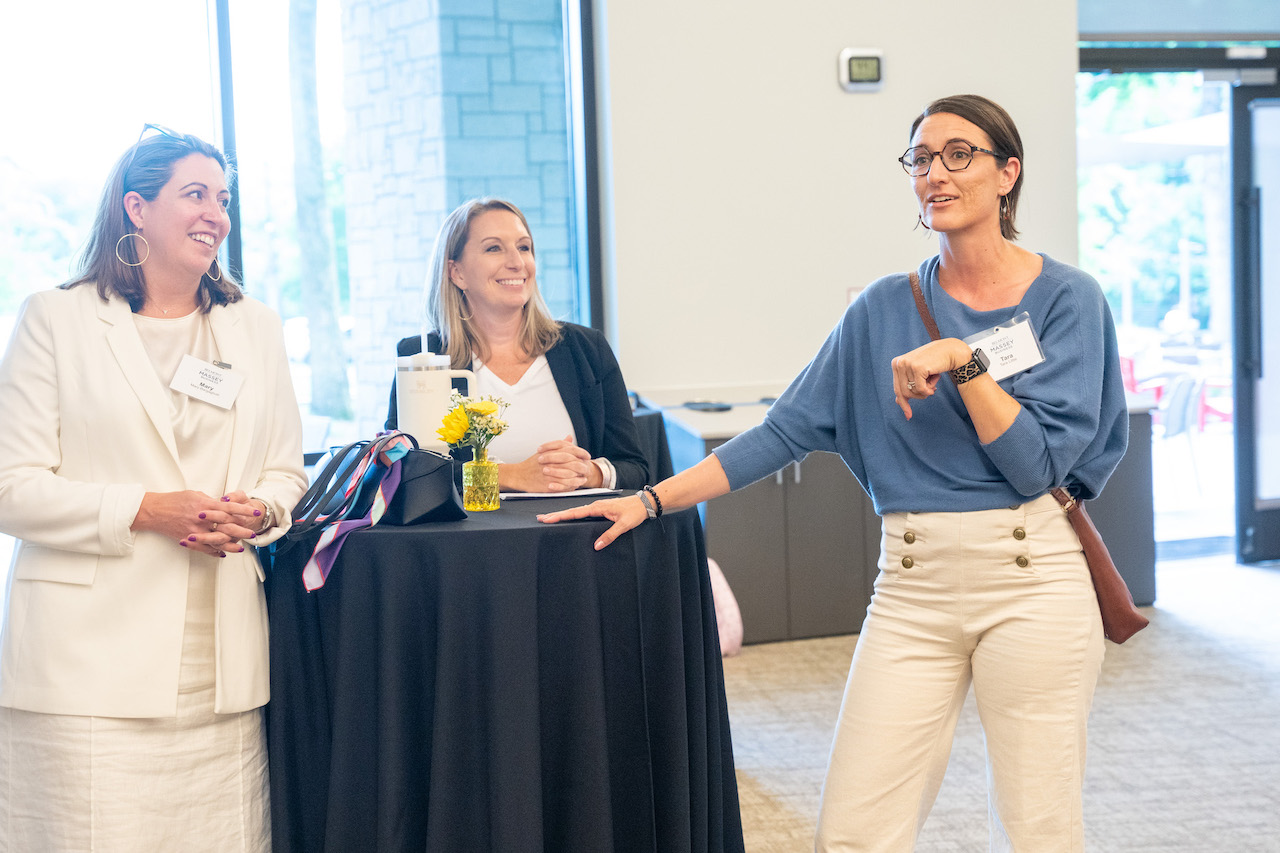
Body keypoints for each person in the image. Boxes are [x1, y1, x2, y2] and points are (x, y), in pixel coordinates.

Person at [540, 94, 1128, 851]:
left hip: (1032, 577)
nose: (934, 174)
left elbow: (1033, 465)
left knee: (1038, 825)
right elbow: (783, 430)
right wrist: (651, 499)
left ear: (1008, 173)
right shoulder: (884, 307)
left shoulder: (1067, 299)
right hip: (912, 585)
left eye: (959, 154)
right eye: (920, 159)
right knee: (854, 826)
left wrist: (962, 360)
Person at [0, 126, 306, 851]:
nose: (216, 214)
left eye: (223, 198)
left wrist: (261, 510)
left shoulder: (255, 327)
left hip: (220, 671)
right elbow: (11, 487)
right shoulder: (57, 318)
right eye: (194, 194)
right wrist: (143, 508)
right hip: (89, 675)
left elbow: (286, 471)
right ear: (135, 208)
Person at [386, 197, 649, 493]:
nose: (516, 262)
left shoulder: (586, 349)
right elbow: (403, 471)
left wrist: (589, 474)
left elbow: (635, 469)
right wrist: (509, 476)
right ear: (456, 272)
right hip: (465, 538)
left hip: (576, 535)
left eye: (524, 247)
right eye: (493, 248)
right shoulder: (424, 359)